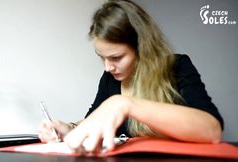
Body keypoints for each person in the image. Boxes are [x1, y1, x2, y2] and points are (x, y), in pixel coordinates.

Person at [38, 0, 223, 153]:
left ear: (142, 47)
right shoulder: (110, 78)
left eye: (116, 57)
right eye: (101, 57)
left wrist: (126, 104)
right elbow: (94, 119)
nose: (108, 67)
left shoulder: (177, 66)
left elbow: (212, 130)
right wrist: (68, 128)